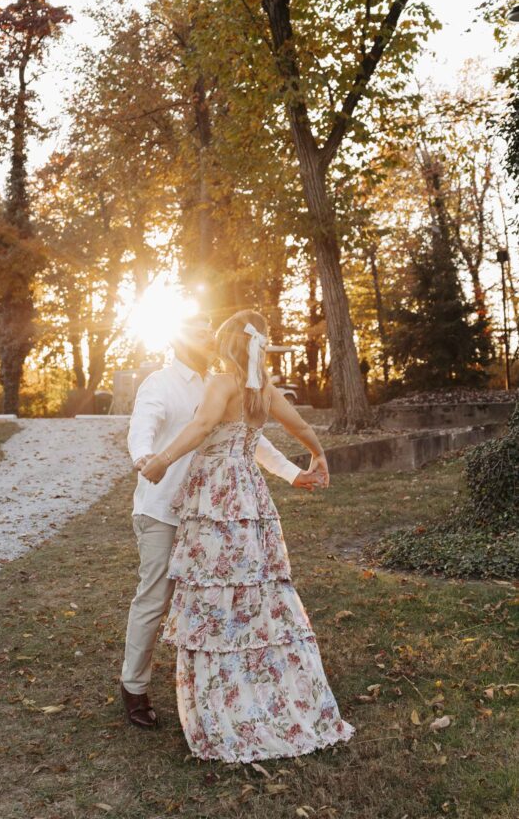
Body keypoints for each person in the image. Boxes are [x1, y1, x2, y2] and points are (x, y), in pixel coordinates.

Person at [140, 310, 355, 762]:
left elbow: (199, 430)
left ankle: (226, 687)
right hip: (249, 495)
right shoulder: (262, 391)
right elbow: (299, 425)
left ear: (227, 344)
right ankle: (261, 673)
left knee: (215, 583)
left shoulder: (222, 382)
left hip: (217, 493)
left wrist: (160, 460)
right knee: (253, 580)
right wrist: (318, 457)